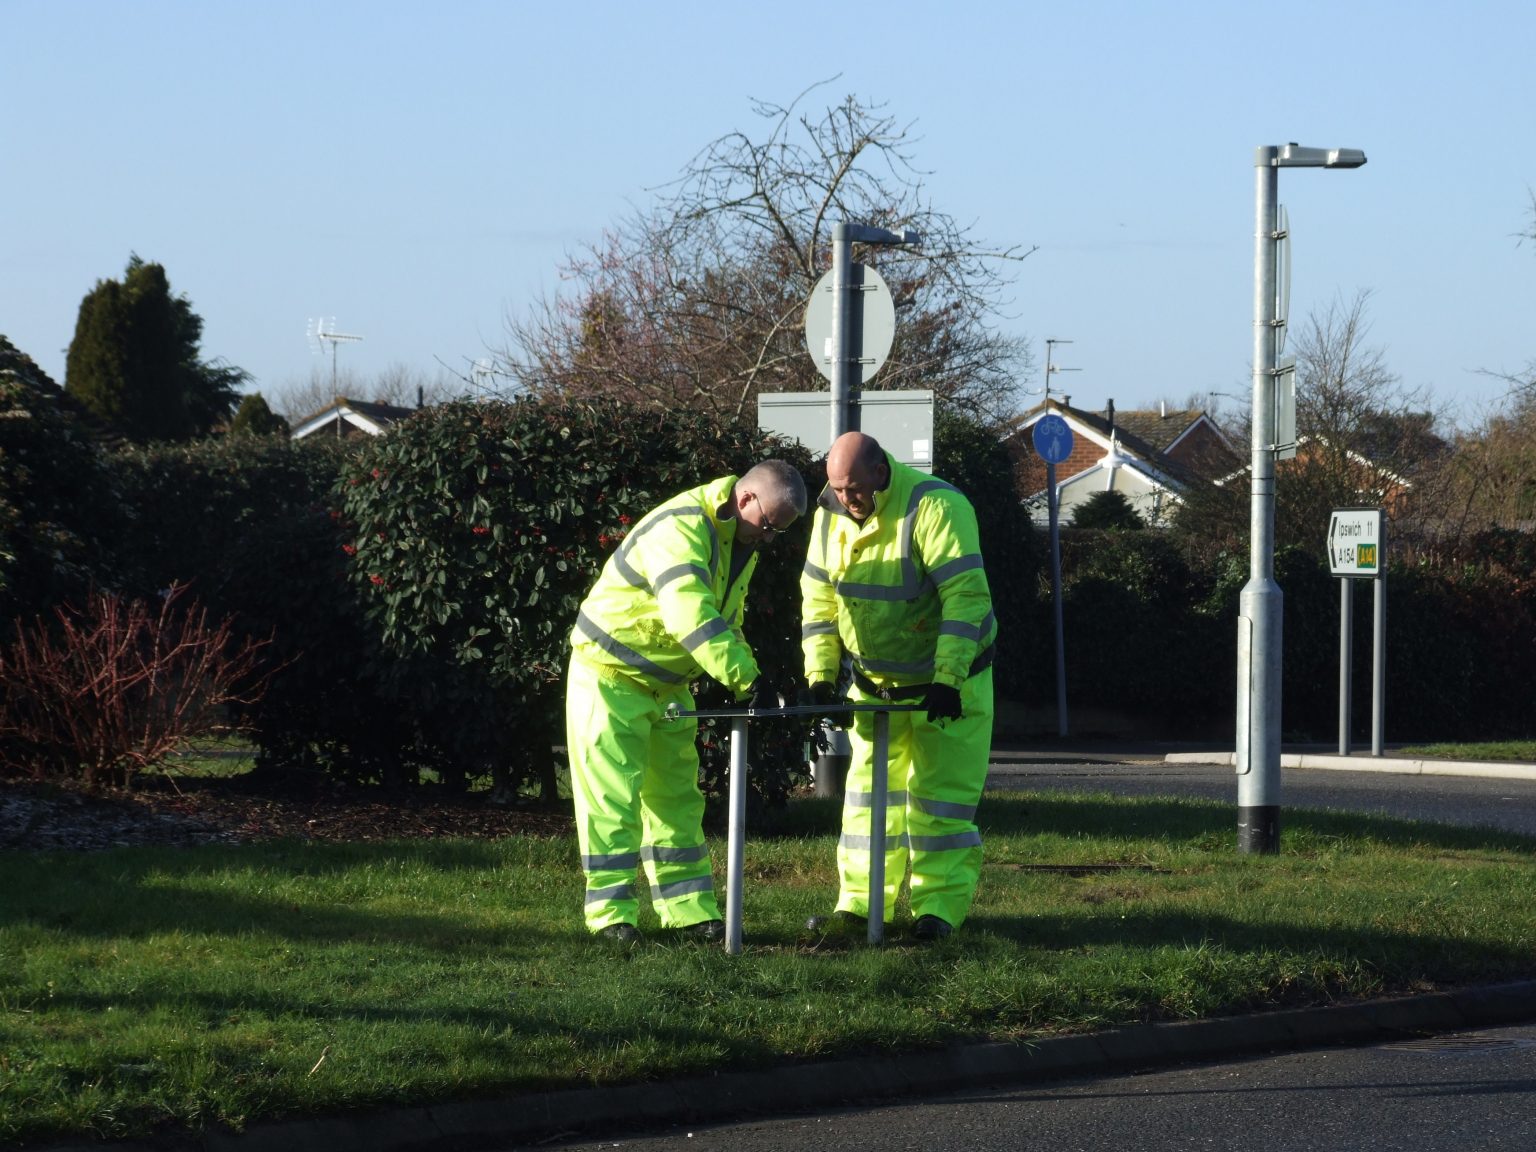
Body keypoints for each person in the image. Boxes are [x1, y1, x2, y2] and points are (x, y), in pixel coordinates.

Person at [565, 459, 807, 945]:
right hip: (609, 678)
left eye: (779, 531)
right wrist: (747, 680)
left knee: (677, 802)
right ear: (745, 498)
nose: (769, 538)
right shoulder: (682, 527)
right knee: (612, 803)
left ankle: (690, 914)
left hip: (668, 686)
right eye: (768, 525)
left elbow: (726, 621)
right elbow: (689, 615)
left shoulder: (737, 540)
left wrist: (751, 680)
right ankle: (611, 918)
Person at [800, 431, 996, 942]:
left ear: (881, 472)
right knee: (868, 802)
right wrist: (821, 677)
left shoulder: (937, 507)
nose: (847, 500)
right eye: (837, 490)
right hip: (876, 689)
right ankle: (861, 907)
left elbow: (965, 599)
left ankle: (938, 912)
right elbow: (818, 601)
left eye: (855, 489)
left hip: (946, 688)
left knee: (940, 802)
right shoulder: (828, 514)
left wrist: (948, 680)